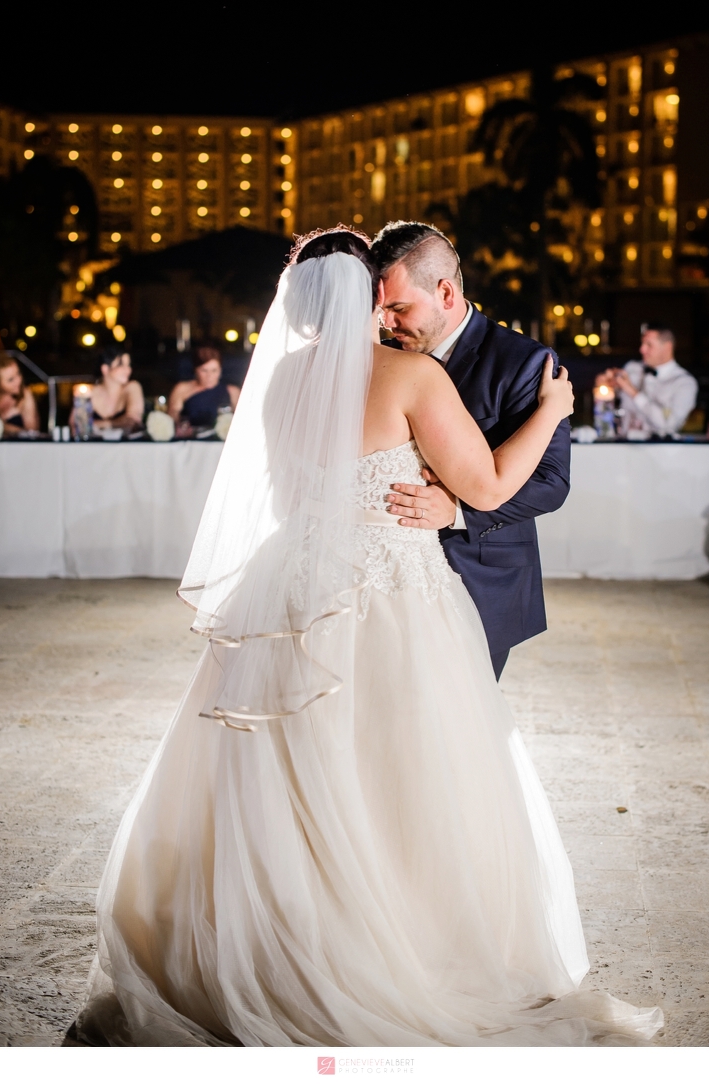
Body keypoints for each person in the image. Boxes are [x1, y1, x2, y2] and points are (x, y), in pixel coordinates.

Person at [70, 228, 662, 1048]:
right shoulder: (411, 375)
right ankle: (403, 944)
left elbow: (288, 494)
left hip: (292, 590)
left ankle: (274, 939)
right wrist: (557, 410)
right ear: (359, 297)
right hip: (394, 597)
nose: (387, 310)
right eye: (377, 297)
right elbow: (488, 482)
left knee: (282, 772)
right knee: (408, 773)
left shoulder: (278, 381)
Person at [371, 221, 570, 682]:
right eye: (382, 311)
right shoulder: (384, 360)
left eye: (399, 308)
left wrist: (457, 508)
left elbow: (551, 483)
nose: (388, 323)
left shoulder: (524, 362)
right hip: (387, 576)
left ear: (444, 292)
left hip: (480, 574)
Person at [595, 324, 698, 439]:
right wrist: (605, 382)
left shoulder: (684, 383)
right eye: (642, 344)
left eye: (649, 345)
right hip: (622, 445)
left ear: (667, 347)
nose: (642, 349)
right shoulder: (632, 368)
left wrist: (633, 392)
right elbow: (607, 397)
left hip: (659, 451)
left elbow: (668, 425)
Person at [70, 347, 145, 435]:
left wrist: (100, 424)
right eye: (121, 365)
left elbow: (134, 420)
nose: (128, 370)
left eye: (128, 365)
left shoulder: (132, 387)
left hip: (125, 446)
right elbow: (75, 424)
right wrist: (117, 423)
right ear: (105, 369)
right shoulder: (90, 392)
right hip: (95, 445)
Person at [168, 347, 240, 436]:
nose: (209, 375)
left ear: (220, 370)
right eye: (204, 370)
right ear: (196, 370)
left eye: (214, 370)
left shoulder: (232, 391)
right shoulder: (182, 388)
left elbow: (242, 420)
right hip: (191, 441)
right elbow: (173, 414)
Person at [0, 351, 40, 436]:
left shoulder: (25, 394)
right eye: (10, 380)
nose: (18, 381)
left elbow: (32, 434)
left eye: (18, 373)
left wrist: (1, 427)